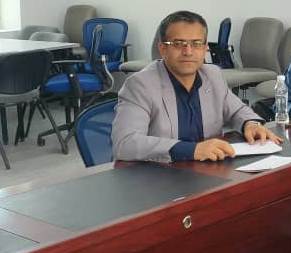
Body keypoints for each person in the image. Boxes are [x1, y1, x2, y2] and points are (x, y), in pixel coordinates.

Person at [112, 10, 281, 162]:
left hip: (208, 172)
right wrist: (191, 150)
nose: (188, 51)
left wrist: (250, 124)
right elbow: (125, 143)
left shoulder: (212, 75)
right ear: (163, 49)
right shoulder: (140, 85)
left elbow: (237, 110)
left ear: (205, 48)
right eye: (178, 44)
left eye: (197, 43)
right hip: (159, 175)